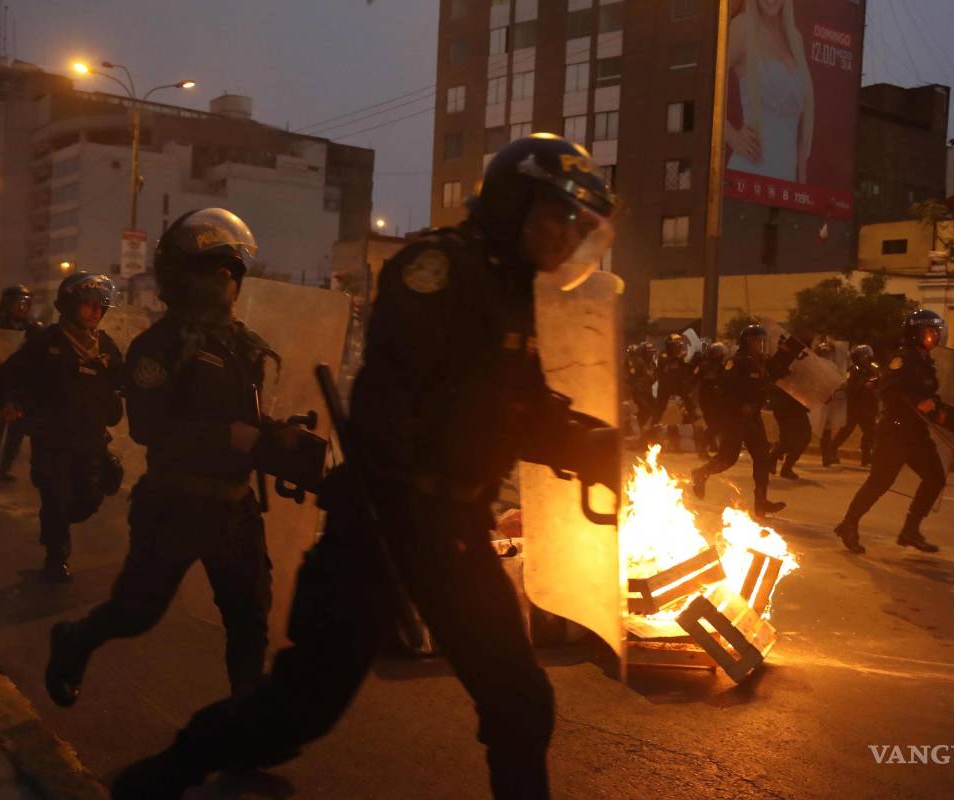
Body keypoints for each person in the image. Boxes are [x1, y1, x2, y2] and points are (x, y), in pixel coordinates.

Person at [108, 136, 621, 800]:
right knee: (300, 709)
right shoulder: (437, 269)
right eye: (557, 216)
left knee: (519, 699)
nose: (567, 236)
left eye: (580, 225)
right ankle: (164, 773)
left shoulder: (511, 291)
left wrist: (589, 441)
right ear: (514, 203)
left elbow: (517, 407)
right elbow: (388, 410)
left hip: (454, 528)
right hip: (379, 525)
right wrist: (408, 521)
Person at [45, 210, 304, 706]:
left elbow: (246, 420)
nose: (227, 279)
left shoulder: (241, 347)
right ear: (186, 278)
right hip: (174, 504)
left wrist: (277, 435)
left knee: (250, 620)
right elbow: (149, 427)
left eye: (232, 270)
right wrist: (226, 438)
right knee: (138, 610)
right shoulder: (158, 347)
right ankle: (76, 638)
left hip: (236, 508)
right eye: (215, 269)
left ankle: (242, 732)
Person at [0, 274, 123, 582]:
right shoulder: (46, 343)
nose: (95, 313)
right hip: (52, 442)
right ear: (70, 306)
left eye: (100, 307)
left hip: (91, 441)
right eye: (88, 306)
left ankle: (59, 524)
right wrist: (9, 402)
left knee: (88, 502)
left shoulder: (106, 346)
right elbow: (5, 379)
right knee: (55, 499)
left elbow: (123, 382)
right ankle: (56, 558)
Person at [833, 310, 949, 555]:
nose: (934, 336)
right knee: (879, 482)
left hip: (916, 432)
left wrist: (935, 407)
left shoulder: (926, 360)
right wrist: (918, 402)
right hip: (895, 431)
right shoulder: (903, 358)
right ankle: (848, 524)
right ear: (915, 333)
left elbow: (927, 391)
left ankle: (911, 529)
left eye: (935, 331)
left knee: (936, 477)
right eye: (929, 331)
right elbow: (887, 389)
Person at [691, 323, 792, 517]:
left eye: (761, 341)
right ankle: (701, 473)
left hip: (753, 417)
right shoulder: (737, 362)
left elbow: (777, 373)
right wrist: (739, 406)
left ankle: (761, 501)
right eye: (756, 340)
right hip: (734, 418)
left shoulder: (761, 362)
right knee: (728, 458)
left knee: (762, 457)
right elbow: (724, 390)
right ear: (747, 341)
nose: (759, 344)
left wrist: (786, 353)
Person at [725, 0, 815, 183]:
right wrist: (732, 137)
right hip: (749, 174)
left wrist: (803, 189)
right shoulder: (742, 28)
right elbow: (707, 82)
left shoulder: (795, 39)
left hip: (785, 182)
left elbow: (804, 120)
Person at [0, 284, 43, 481]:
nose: (22, 307)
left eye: (26, 303)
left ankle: (5, 468)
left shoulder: (34, 330)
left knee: (16, 434)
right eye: (18, 303)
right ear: (7, 304)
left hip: (21, 390)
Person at [831, 344, 880, 465]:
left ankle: (866, 457)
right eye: (865, 356)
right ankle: (831, 451)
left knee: (870, 432)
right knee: (846, 431)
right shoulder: (854, 370)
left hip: (867, 407)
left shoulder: (870, 369)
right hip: (855, 407)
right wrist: (864, 385)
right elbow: (851, 387)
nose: (867, 359)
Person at [647, 332, 696, 446]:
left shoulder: (681, 357)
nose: (677, 348)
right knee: (659, 410)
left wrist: (692, 361)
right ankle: (648, 434)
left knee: (691, 407)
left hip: (680, 385)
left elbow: (687, 369)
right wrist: (679, 359)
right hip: (666, 386)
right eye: (675, 346)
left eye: (678, 346)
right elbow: (668, 364)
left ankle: (698, 431)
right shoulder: (663, 357)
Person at [767, 383, 811, 480]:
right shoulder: (790, 371)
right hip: (787, 404)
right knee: (801, 436)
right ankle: (778, 460)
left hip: (791, 404)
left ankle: (776, 459)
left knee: (794, 437)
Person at [693, 340, 729, 456]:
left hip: (717, 401)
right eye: (719, 353)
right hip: (707, 401)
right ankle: (702, 447)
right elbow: (695, 383)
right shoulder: (704, 367)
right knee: (714, 425)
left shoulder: (722, 367)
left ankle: (714, 448)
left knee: (720, 425)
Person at [812, 338, 843, 466]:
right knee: (824, 430)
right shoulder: (831, 365)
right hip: (824, 400)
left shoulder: (814, 364)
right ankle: (827, 457)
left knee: (824, 430)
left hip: (817, 400)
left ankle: (827, 457)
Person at [625, 341, 656, 436]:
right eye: (649, 352)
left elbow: (654, 377)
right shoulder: (636, 362)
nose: (651, 354)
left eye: (652, 352)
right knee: (646, 412)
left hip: (648, 392)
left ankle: (645, 433)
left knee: (654, 410)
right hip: (638, 392)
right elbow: (630, 376)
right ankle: (644, 434)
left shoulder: (651, 364)